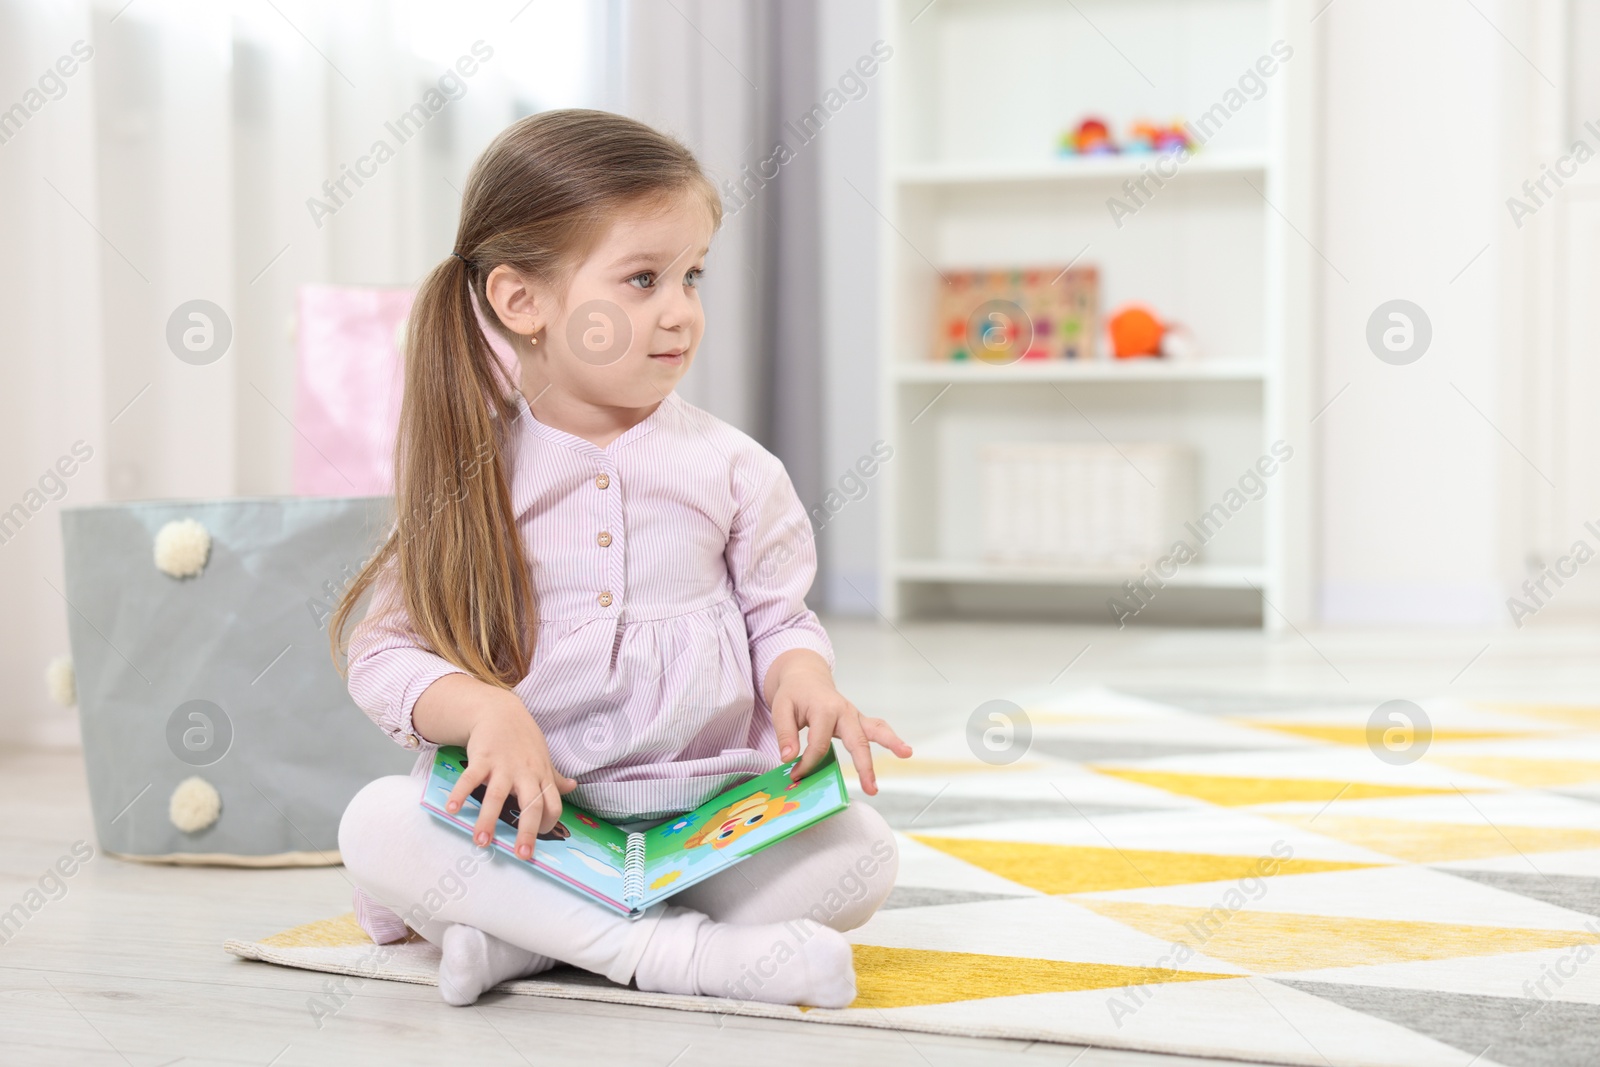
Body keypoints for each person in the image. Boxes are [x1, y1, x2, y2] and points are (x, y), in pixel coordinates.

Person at [329, 109, 911, 1009]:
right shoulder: (472, 476)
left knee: (862, 852)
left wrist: (804, 678)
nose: (680, 311)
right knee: (374, 824)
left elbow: (778, 616)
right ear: (523, 302)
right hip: (538, 827)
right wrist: (482, 710)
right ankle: (673, 957)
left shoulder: (733, 468)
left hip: (704, 823)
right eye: (643, 279)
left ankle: (538, 943)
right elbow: (385, 654)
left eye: (691, 276)